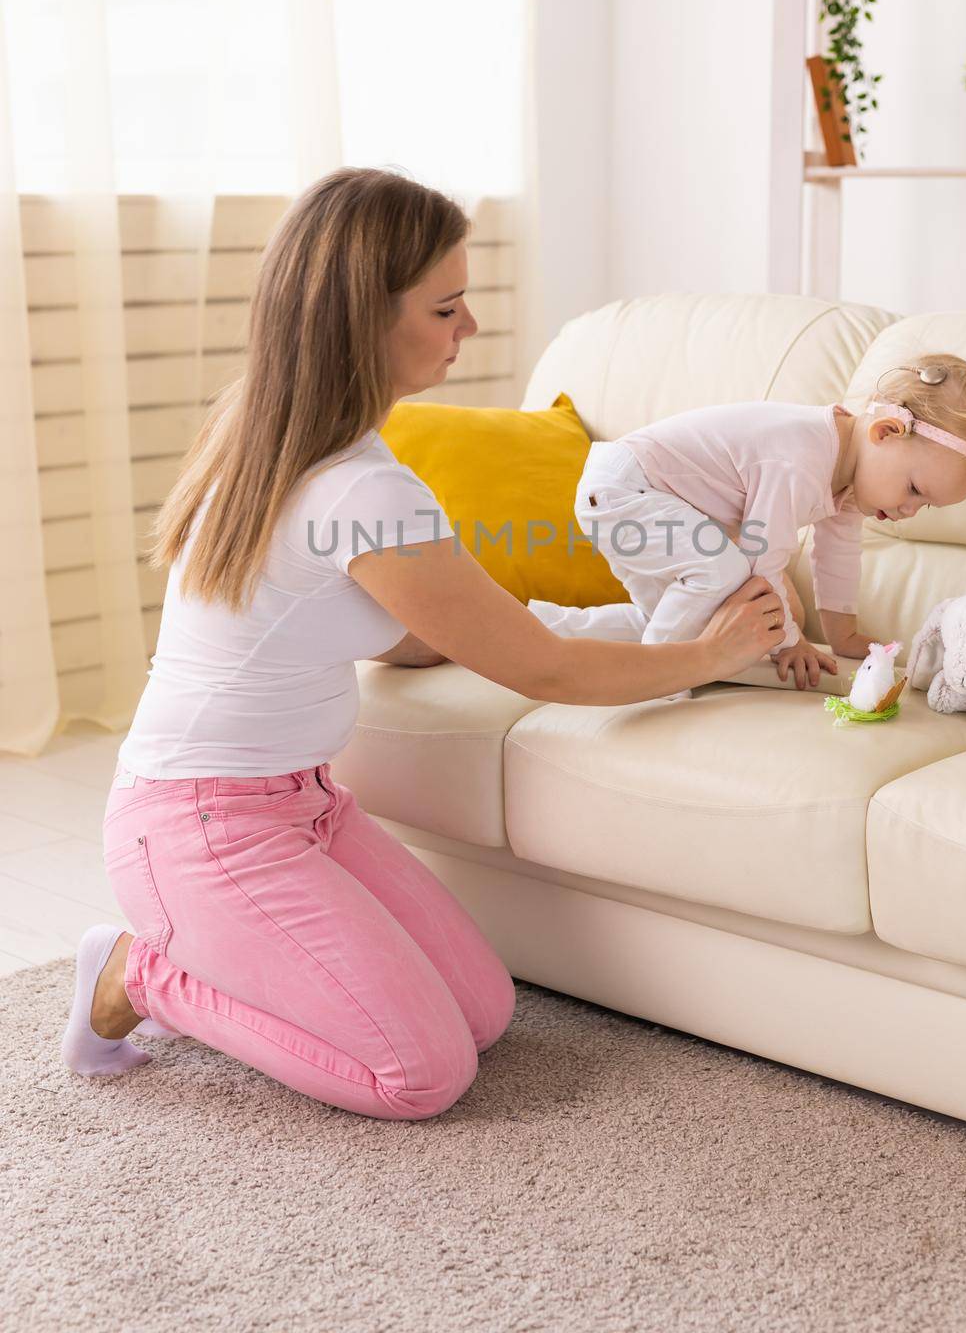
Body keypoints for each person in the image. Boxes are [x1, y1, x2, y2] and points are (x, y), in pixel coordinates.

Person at [60, 167, 788, 1120]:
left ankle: (186, 954)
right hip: (200, 829)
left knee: (482, 1015)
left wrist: (458, 631)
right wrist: (708, 652)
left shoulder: (278, 425)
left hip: (301, 807)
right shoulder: (360, 487)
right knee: (415, 1076)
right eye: (446, 307)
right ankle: (141, 975)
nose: (469, 328)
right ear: (365, 318)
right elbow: (545, 669)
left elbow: (373, 618)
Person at [530, 348, 966, 692]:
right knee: (724, 572)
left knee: (670, 616)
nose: (908, 511)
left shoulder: (847, 483)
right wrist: (790, 640)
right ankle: (651, 682)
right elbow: (761, 557)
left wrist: (843, 637)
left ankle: (537, 627)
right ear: (885, 431)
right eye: (914, 491)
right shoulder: (800, 454)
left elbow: (836, 557)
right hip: (625, 490)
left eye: (924, 507)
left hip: (634, 499)